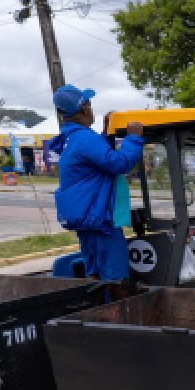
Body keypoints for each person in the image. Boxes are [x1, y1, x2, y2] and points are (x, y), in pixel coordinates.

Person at [49, 84, 143, 294]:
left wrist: (106, 134)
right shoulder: (84, 138)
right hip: (100, 221)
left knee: (95, 275)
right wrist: (134, 138)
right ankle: (121, 320)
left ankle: (98, 318)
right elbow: (119, 163)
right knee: (116, 278)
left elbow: (97, 158)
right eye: (89, 105)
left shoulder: (72, 138)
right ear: (84, 108)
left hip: (87, 221)